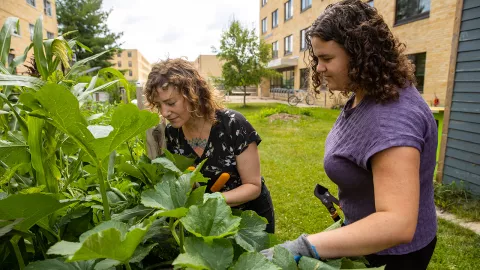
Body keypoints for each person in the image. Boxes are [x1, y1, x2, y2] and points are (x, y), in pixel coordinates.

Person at [261, 0, 437, 268]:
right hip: (365, 238)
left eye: (327, 58)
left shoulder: (392, 119)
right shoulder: (368, 92)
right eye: (317, 58)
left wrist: (304, 246)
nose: (318, 68)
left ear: (361, 54)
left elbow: (397, 224)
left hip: (391, 255)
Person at [144, 58, 275, 233]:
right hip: (207, 222)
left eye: (170, 103)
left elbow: (253, 186)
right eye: (159, 105)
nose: (164, 112)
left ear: (193, 94)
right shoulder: (172, 135)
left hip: (249, 219)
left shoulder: (233, 125)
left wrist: (207, 200)